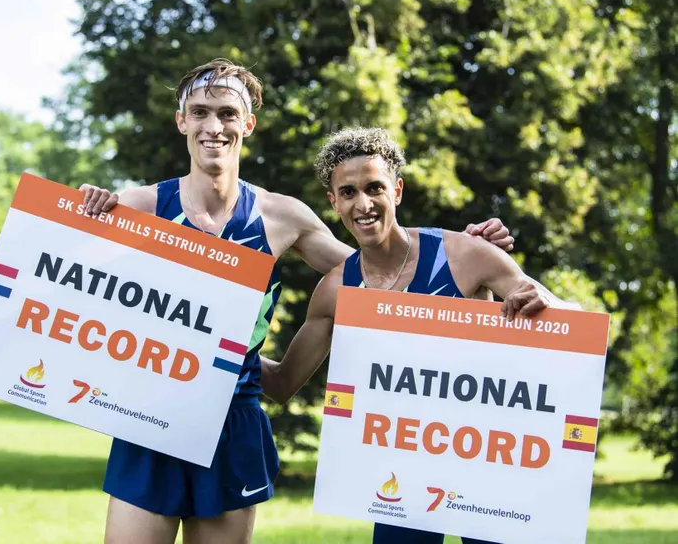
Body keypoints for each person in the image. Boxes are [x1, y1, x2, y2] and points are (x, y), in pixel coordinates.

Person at [78, 59, 515, 544]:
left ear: (247, 124)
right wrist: (83, 211)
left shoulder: (284, 216)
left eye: (226, 113)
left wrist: (466, 255)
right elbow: (71, 280)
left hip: (233, 420)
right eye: (199, 112)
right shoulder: (138, 206)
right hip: (152, 412)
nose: (213, 126)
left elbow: (381, 281)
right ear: (181, 121)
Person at [259, 126, 580, 544]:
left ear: (397, 189)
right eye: (350, 192)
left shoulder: (465, 254)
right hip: (404, 472)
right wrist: (224, 340)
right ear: (333, 202)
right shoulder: (337, 290)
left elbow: (573, 328)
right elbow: (283, 383)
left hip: (487, 462)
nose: (364, 204)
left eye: (375, 187)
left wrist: (547, 301)